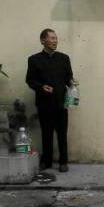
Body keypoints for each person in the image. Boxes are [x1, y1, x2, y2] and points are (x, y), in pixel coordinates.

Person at [25, 28, 74, 172]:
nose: (55, 41)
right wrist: (41, 87)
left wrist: (72, 83)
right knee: (46, 133)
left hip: (61, 103)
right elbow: (30, 80)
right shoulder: (34, 60)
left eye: (56, 38)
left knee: (62, 134)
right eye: (52, 38)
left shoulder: (64, 58)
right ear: (43, 40)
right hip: (44, 103)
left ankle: (63, 161)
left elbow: (68, 78)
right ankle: (47, 161)